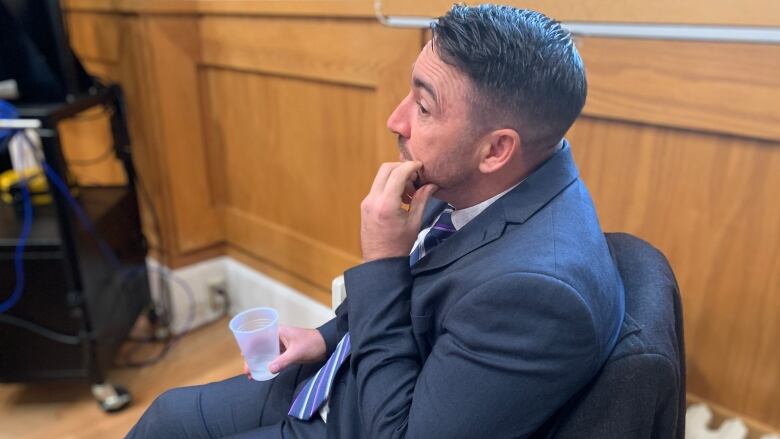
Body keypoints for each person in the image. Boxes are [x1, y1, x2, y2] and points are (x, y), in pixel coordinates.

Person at [127, 4, 624, 438]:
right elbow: (427, 292)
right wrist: (325, 337)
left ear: (496, 148)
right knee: (169, 415)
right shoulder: (483, 181)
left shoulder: (539, 295)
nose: (396, 119)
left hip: (368, 419)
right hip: (347, 375)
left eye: (424, 107)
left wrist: (383, 260)